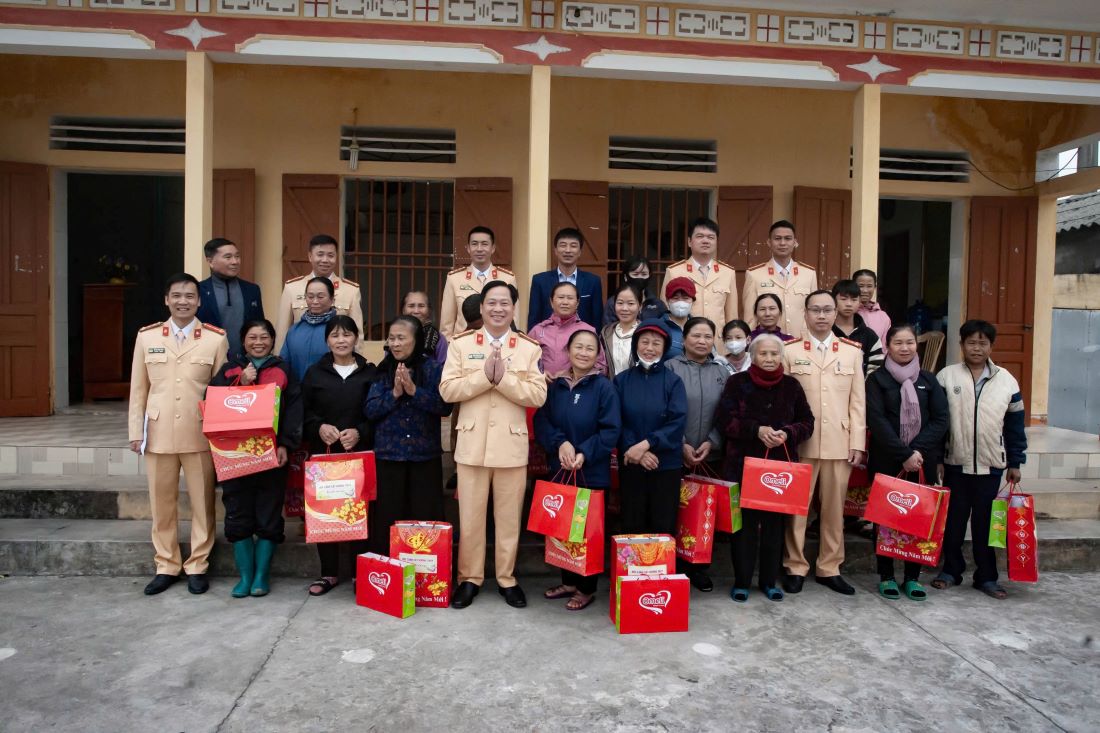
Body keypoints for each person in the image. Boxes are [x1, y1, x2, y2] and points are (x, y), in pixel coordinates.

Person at [441, 281, 547, 610]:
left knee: (508, 518)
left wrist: (504, 380)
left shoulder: (528, 348)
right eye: (491, 303)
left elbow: (538, 395)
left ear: (514, 309)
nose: (498, 308)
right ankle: (469, 579)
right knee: (470, 518)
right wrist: (482, 377)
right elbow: (447, 390)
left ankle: (506, 578)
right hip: (472, 445)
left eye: (505, 303)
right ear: (482, 307)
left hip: (510, 446)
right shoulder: (460, 345)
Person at [128, 273, 229, 596]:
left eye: (189, 296)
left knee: (202, 502)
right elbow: (138, 390)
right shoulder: (147, 337)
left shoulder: (215, 339)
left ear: (199, 301)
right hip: (158, 433)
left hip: (199, 434)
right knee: (162, 504)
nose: (183, 301)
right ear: (166, 300)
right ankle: (166, 564)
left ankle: (198, 564)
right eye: (177, 295)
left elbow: (222, 391)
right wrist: (135, 432)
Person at [716, 333, 815, 602]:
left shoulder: (792, 386)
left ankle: (770, 582)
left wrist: (788, 433)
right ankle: (742, 582)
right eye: (763, 354)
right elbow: (724, 420)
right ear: (753, 355)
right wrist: (755, 430)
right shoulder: (737, 383)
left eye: (774, 354)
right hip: (743, 466)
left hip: (779, 472)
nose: (769, 359)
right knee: (744, 528)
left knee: (774, 528)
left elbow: (807, 422)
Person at [208, 319, 302, 598]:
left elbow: (294, 408)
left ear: (273, 340)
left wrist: (286, 443)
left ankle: (261, 576)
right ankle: (244, 577)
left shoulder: (284, 370)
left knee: (269, 511)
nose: (258, 342)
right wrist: (241, 382)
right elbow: (212, 403)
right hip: (235, 456)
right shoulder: (229, 369)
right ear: (243, 340)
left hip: (272, 454)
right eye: (252, 337)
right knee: (238, 511)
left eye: (264, 337)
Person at [934, 320, 1027, 600]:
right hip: (955, 464)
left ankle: (986, 577)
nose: (977, 348)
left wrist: (1015, 462)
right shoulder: (946, 377)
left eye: (983, 343)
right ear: (961, 345)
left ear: (991, 346)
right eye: (971, 342)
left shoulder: (1007, 381)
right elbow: (938, 423)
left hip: (991, 466)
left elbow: (1014, 427)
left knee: (988, 526)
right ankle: (951, 570)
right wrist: (937, 458)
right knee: (954, 522)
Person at [781, 290, 866, 596]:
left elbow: (858, 402)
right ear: (805, 314)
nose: (821, 315)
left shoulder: (852, 351)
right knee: (797, 510)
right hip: (801, 443)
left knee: (833, 511)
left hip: (838, 443)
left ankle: (830, 567)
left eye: (827, 310)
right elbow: (784, 401)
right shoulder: (789, 351)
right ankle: (795, 565)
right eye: (815, 310)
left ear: (836, 314)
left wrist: (857, 441)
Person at [534, 330, 620, 611]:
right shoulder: (555, 386)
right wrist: (560, 444)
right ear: (569, 351)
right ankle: (568, 582)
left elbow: (610, 430)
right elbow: (542, 422)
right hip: (560, 469)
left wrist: (584, 451)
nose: (583, 352)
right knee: (561, 529)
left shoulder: (603, 387)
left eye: (590, 349)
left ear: (598, 355)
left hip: (590, 471)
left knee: (587, 534)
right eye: (578, 347)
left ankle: (586, 588)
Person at [865, 324, 948, 601]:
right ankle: (886, 576)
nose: (904, 348)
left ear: (916, 345)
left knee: (918, 519)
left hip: (922, 461)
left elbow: (940, 419)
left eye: (910, 342)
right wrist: (904, 453)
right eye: (898, 343)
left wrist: (917, 451)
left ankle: (913, 577)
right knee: (885, 519)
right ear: (888, 346)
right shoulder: (877, 381)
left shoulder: (928, 380)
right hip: (888, 460)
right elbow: (876, 421)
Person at [301, 316, 377, 596]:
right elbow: (304, 412)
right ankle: (328, 573)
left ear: (357, 338)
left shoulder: (370, 373)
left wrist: (360, 431)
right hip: (326, 455)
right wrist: (318, 427)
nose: (341, 340)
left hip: (360, 454)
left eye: (347, 335)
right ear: (327, 341)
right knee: (327, 512)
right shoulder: (314, 374)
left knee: (361, 514)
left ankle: (360, 573)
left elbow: (377, 414)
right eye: (335, 335)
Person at [365, 316, 453, 556]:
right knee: (387, 519)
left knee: (425, 521)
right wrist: (394, 393)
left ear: (417, 340)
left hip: (424, 457)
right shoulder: (382, 370)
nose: (395, 344)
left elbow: (445, 407)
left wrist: (414, 391)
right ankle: (385, 579)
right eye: (391, 338)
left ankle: (427, 580)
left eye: (401, 338)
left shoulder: (434, 369)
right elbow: (370, 410)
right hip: (388, 457)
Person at [666, 316, 730, 592]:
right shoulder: (669, 367)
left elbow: (729, 412)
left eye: (708, 336)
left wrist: (713, 442)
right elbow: (662, 410)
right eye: (696, 336)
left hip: (710, 456)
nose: (702, 341)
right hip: (674, 453)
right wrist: (680, 443)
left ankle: (699, 568)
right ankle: (674, 565)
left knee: (704, 516)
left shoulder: (722, 371)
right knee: (674, 513)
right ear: (685, 339)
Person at [614, 320, 688, 538]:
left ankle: (660, 572)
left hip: (665, 465)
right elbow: (615, 420)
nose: (649, 348)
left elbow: (677, 421)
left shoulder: (674, 382)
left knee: (662, 525)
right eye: (644, 342)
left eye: (656, 343)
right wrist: (633, 449)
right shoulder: (621, 381)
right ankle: (632, 572)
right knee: (632, 523)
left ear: (664, 348)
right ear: (636, 345)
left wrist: (647, 445)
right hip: (631, 463)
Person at [660, 217, 738, 353]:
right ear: (690, 241)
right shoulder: (674, 271)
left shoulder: (728, 273)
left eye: (711, 237)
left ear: (716, 242)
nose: (706, 241)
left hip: (718, 344)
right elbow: (665, 310)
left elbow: (731, 315)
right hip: (684, 342)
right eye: (700, 236)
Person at [274, 234, 363, 353]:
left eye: (330, 255)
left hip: (337, 360)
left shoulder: (351, 290)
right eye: (320, 254)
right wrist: (280, 366)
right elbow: (282, 332)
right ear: (310, 256)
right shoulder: (292, 288)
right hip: (301, 357)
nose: (325, 260)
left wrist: (355, 367)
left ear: (337, 257)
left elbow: (357, 334)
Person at [743, 220, 818, 339]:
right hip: (767, 344)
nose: (783, 243)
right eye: (777, 238)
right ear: (769, 242)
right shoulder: (754, 274)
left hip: (801, 341)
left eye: (788, 238)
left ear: (795, 242)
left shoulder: (809, 274)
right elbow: (750, 317)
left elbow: (814, 311)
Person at [439, 226, 518, 338]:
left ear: (493, 248)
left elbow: (514, 319)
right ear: (468, 248)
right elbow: (446, 325)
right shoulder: (454, 279)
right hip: (464, 346)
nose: (479, 249)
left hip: (498, 345)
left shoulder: (508, 278)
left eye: (485, 244)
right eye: (474, 244)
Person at [196, 237, 264, 360]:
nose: (235, 261)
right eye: (228, 257)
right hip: (208, 360)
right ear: (210, 261)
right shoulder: (198, 290)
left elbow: (260, 326)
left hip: (246, 362)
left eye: (237, 256)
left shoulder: (252, 290)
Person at [529, 228, 603, 330]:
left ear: (580, 251)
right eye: (563, 245)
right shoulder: (539, 280)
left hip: (582, 341)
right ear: (555, 250)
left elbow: (597, 320)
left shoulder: (593, 281)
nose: (568, 250)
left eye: (573, 246)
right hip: (547, 343)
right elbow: (534, 319)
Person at [528, 282, 607, 377]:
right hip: (542, 388)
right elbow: (525, 361)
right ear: (551, 302)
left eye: (570, 298)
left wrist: (572, 375)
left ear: (577, 303)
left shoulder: (588, 330)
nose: (565, 302)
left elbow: (601, 366)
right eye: (561, 297)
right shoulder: (538, 330)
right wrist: (539, 373)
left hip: (576, 388)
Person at [280, 277, 337, 382]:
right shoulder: (294, 330)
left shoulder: (339, 330)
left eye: (320, 297)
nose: (315, 301)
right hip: (297, 394)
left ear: (332, 299)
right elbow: (284, 364)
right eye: (310, 297)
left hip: (329, 393)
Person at [831, 279, 884, 375]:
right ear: (833, 301)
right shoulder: (825, 332)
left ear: (859, 302)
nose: (849, 304)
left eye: (854, 299)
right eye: (843, 299)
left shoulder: (869, 336)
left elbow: (875, 368)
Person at [601, 255, 667, 326]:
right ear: (626, 277)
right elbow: (607, 330)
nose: (640, 277)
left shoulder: (657, 304)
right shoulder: (613, 303)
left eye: (644, 274)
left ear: (649, 276)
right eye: (635, 274)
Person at [601, 283, 642, 378]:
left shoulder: (646, 332)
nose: (624, 308)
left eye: (631, 303)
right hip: (611, 389)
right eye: (620, 303)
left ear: (640, 306)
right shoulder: (606, 333)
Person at [402, 290, 448, 364]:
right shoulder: (395, 335)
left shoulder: (439, 338)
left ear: (429, 310)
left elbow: (444, 370)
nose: (416, 311)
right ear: (403, 310)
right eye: (411, 306)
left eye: (421, 306)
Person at [854, 268, 892, 343]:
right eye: (861, 286)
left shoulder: (883, 317)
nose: (865, 290)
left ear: (875, 287)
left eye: (869, 286)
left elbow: (885, 346)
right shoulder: (847, 312)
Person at [660, 277, 694, 358]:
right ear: (668, 301)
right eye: (675, 298)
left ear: (692, 301)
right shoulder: (659, 326)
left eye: (685, 298)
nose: (681, 302)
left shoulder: (699, 326)